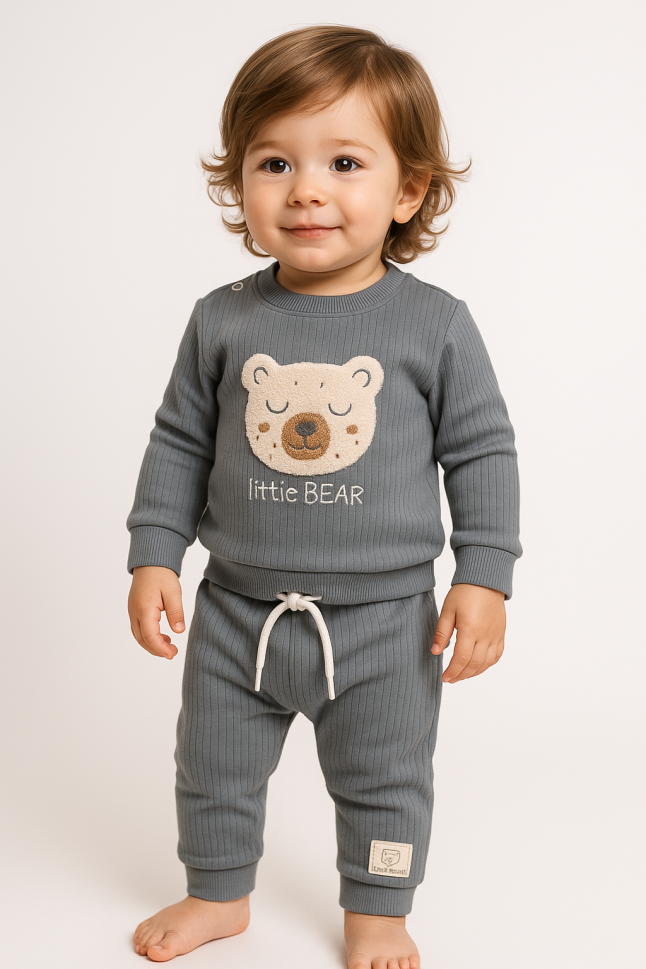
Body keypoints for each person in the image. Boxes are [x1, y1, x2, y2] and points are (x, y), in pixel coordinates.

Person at [126, 24, 522, 969]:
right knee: (213, 766)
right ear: (240, 181)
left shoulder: (435, 326)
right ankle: (218, 893)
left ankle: (378, 909)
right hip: (237, 612)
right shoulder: (222, 320)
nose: (306, 189)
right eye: (275, 162)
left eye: (344, 162)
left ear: (409, 189)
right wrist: (153, 552)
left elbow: (482, 450)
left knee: (386, 776)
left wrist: (485, 573)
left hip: (385, 623)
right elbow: (179, 440)